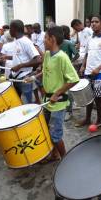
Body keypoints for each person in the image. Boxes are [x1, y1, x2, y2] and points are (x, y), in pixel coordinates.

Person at [42, 26, 79, 161]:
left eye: (45, 38)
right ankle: (55, 154)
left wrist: (57, 93)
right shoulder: (46, 54)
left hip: (58, 103)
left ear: (52, 40)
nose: (43, 40)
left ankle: (65, 159)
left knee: (55, 135)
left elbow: (74, 79)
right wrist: (34, 77)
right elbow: (46, 70)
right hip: (46, 100)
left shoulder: (62, 57)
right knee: (47, 130)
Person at [76, 15, 101, 127]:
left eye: (96, 21)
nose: (93, 23)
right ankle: (87, 119)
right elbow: (87, 54)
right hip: (88, 72)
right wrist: (83, 66)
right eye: (92, 22)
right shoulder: (90, 39)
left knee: (98, 98)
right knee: (88, 98)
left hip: (100, 74)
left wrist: (99, 68)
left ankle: (98, 121)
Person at [9, 20, 42, 104]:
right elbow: (20, 57)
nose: (9, 31)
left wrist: (20, 66)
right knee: (17, 101)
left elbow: (38, 59)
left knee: (28, 104)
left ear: (14, 29)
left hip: (24, 77)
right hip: (15, 77)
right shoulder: (16, 41)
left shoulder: (26, 42)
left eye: (10, 28)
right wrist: (6, 57)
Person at [60, 25, 79, 121]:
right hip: (59, 71)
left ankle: (69, 111)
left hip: (68, 71)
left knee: (69, 91)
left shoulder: (68, 43)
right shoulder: (56, 43)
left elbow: (77, 54)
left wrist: (70, 62)